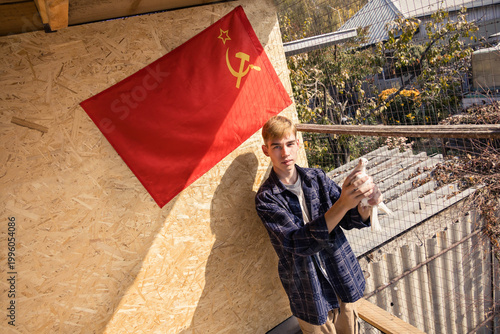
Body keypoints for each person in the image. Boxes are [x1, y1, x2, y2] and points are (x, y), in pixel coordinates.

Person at [255, 115, 382, 334]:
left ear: (298, 144)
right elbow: (298, 243)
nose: (284, 153)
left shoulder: (317, 178)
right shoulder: (267, 199)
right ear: (266, 150)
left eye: (289, 144)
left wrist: (365, 205)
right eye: (276, 146)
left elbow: (348, 220)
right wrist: (342, 203)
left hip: (340, 275)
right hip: (310, 292)